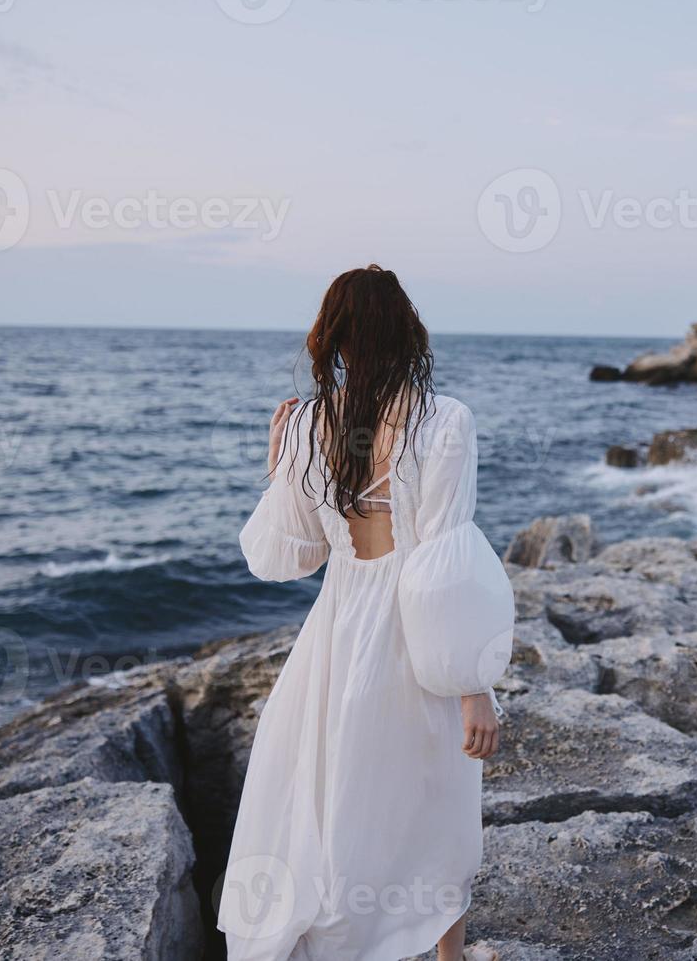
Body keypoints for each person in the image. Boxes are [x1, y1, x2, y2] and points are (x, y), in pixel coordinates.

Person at [218, 265, 502, 961]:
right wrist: (474, 687)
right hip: (414, 636)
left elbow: (288, 558)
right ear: (408, 330)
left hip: (339, 631)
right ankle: (447, 958)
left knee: (334, 801)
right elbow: (441, 561)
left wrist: (279, 458)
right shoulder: (446, 420)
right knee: (434, 799)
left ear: (335, 338)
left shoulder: (311, 421)